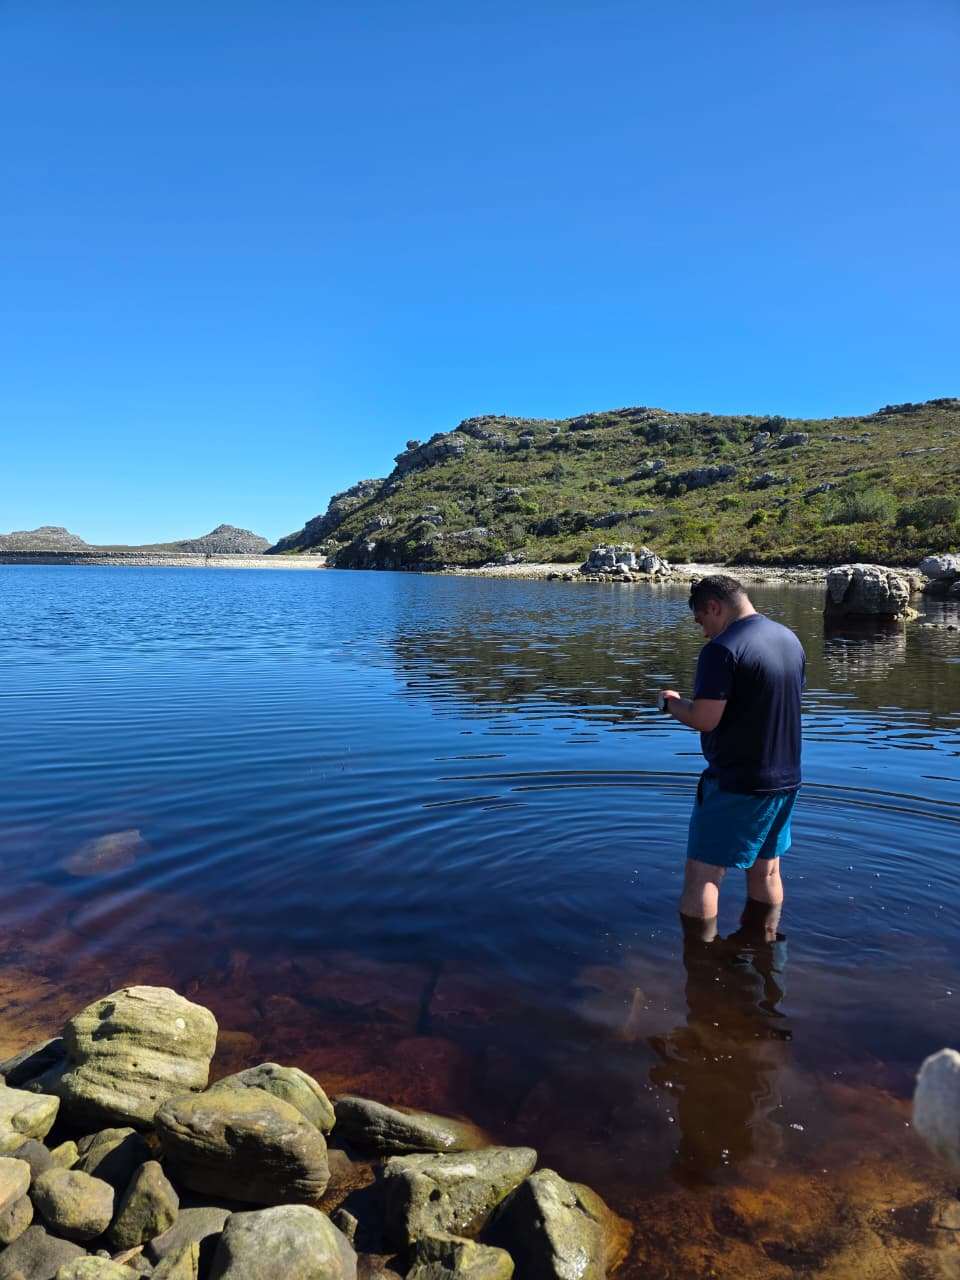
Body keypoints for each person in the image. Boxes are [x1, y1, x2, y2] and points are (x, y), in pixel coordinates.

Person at [657, 575, 805, 924]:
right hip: (785, 780)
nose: (704, 631)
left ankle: (701, 966)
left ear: (714, 607)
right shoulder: (789, 639)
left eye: (702, 621)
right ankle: (768, 953)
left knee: (703, 876)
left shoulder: (722, 650)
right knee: (766, 872)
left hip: (736, 783)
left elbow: (705, 719)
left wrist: (671, 703)